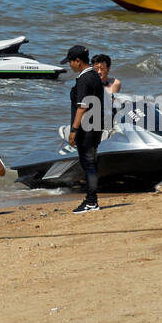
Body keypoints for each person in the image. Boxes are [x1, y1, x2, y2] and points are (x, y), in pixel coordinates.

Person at [63, 44, 107, 214]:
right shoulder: (95, 76)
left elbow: (81, 107)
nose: (70, 65)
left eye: (70, 62)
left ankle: (91, 202)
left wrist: (73, 131)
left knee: (88, 164)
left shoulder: (83, 79)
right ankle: (92, 200)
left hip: (87, 127)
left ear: (78, 61)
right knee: (91, 164)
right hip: (96, 125)